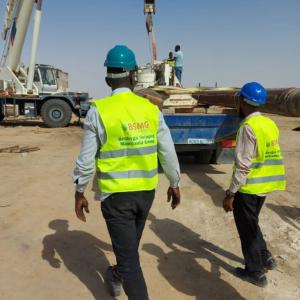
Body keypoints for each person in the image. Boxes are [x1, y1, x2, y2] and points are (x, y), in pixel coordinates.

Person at [73, 45, 181, 300]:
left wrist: (79, 191)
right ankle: (117, 275)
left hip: (116, 199)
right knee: (129, 250)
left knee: (130, 262)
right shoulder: (150, 109)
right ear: (133, 76)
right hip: (145, 195)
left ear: (107, 77)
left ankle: (121, 274)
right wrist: (174, 182)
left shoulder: (99, 111)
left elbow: (86, 160)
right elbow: (167, 150)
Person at [223, 82, 286, 287]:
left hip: (248, 188)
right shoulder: (269, 124)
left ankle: (255, 272)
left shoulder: (248, 128)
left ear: (242, 101)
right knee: (253, 224)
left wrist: (231, 193)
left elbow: (243, 166)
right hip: (264, 186)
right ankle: (265, 257)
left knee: (247, 231)